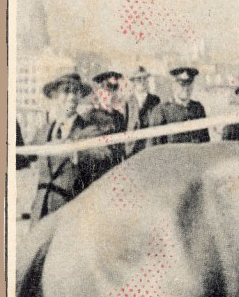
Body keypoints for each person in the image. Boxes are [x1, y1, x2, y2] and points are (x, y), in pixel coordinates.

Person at [29, 75, 121, 219]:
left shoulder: (90, 129)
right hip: (40, 212)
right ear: (55, 95)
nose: (72, 97)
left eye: (76, 92)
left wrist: (77, 152)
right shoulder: (44, 131)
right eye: (66, 91)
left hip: (71, 214)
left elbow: (105, 155)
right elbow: (21, 158)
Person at [148, 66, 210, 143]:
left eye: (189, 84)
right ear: (174, 85)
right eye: (182, 84)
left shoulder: (198, 108)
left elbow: (205, 142)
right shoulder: (161, 111)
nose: (186, 89)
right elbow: (154, 148)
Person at [120, 67, 161, 156]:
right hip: (132, 146)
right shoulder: (128, 101)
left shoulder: (155, 100)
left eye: (145, 79)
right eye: (139, 79)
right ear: (134, 82)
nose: (142, 82)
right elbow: (125, 125)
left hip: (148, 144)